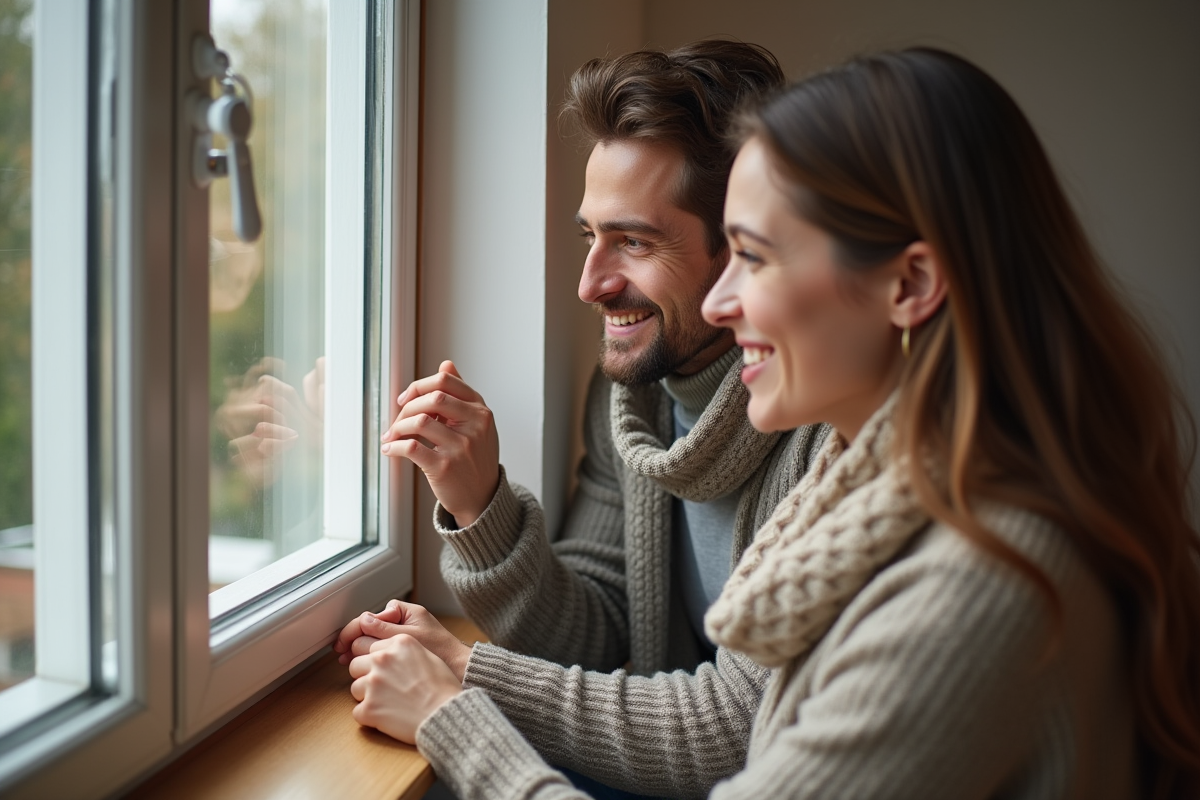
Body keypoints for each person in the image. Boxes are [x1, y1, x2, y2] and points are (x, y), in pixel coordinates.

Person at [342, 48, 1200, 798]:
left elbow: (736, 719)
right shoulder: (885, 476)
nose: (724, 302)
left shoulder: (976, 581)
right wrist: (480, 517)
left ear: (909, 287)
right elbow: (615, 637)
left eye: (753, 254)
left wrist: (459, 712)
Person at [337, 40, 829, 796]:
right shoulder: (631, 398)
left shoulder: (829, 428)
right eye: (589, 236)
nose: (590, 283)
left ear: (740, 248)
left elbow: (741, 727)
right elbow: (597, 631)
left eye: (633, 241)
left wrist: (465, 676)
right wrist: (479, 505)